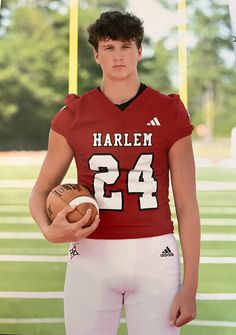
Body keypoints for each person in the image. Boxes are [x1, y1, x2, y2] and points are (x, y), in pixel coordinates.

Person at [29, 10, 200, 335]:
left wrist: (190, 286)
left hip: (156, 254)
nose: (118, 55)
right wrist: (49, 231)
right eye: (109, 47)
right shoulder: (73, 115)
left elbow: (188, 205)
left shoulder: (169, 112)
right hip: (90, 254)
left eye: (126, 46)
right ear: (96, 54)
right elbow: (39, 192)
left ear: (139, 50)